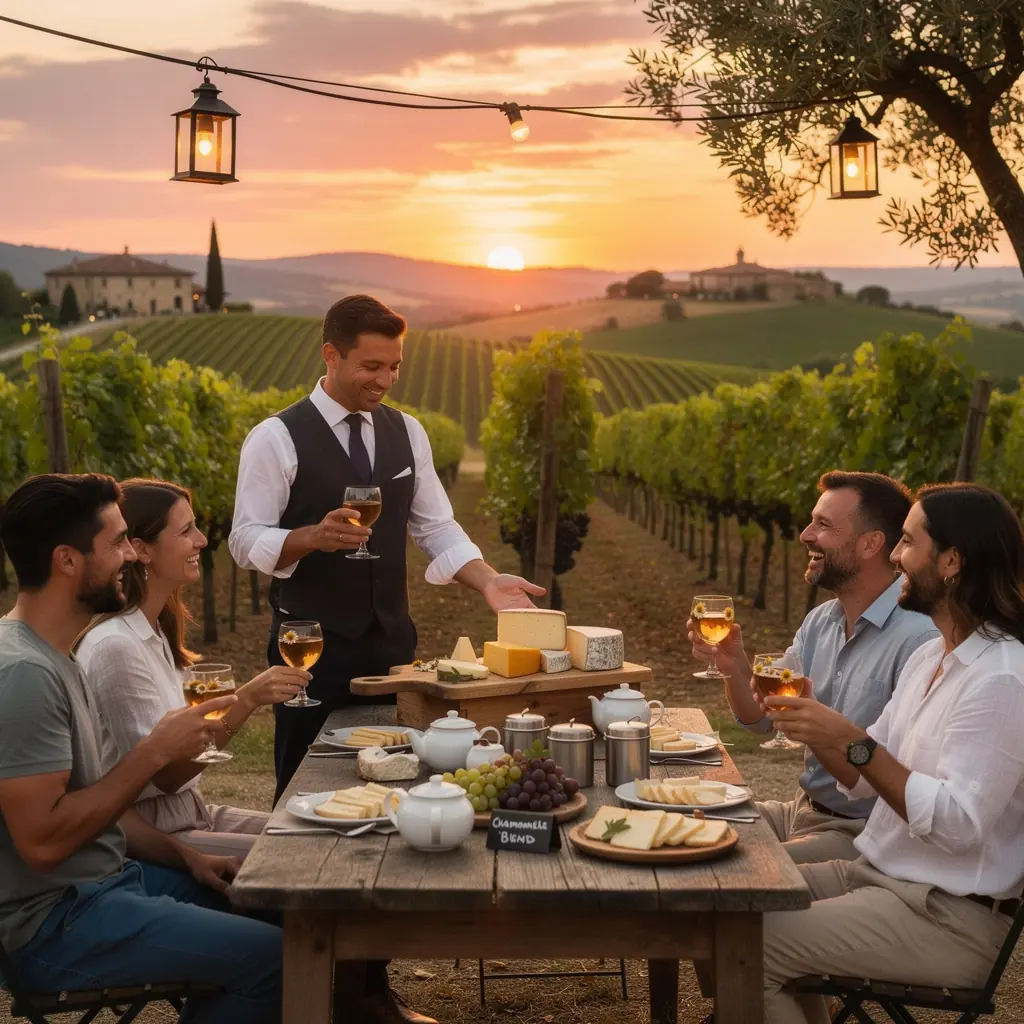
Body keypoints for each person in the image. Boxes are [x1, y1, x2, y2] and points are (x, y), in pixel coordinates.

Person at [229, 294, 544, 801]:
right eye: (371, 366)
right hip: (309, 650)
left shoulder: (408, 432)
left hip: (393, 645)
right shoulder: (275, 438)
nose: (385, 379)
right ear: (330, 356)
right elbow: (244, 540)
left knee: (397, 774)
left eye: (395, 366)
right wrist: (311, 537)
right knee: (306, 784)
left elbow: (437, 527)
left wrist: (488, 579)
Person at [0, 473, 282, 1024]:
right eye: (118, 543)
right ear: (67, 560)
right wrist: (152, 753)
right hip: (55, 924)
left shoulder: (54, 654)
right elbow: (42, 842)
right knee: (275, 958)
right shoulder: (25, 675)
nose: (132, 555)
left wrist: (187, 857)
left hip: (108, 883)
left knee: (287, 909)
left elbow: (100, 811)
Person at [759, 482, 1024, 1024]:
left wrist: (849, 738)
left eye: (907, 542)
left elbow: (955, 824)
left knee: (749, 942)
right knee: (728, 904)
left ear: (951, 560)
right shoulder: (931, 657)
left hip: (947, 916)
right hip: (883, 876)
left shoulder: (1002, 680)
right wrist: (822, 731)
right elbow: (862, 777)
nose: (896, 556)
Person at [689, 471, 937, 863]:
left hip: (860, 834)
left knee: (733, 868)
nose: (805, 535)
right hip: (802, 811)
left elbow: (887, 778)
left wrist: (818, 728)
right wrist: (733, 666)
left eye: (823, 525)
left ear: (871, 543)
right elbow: (759, 720)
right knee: (686, 820)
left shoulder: (920, 640)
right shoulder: (821, 621)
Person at [76, 478, 311, 858]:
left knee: (318, 835)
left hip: (193, 812)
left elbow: (194, 751)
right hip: (151, 835)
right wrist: (246, 699)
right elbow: (166, 776)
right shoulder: (116, 647)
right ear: (142, 550)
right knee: (295, 858)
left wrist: (245, 701)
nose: (202, 540)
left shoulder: (154, 633)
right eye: (186, 531)